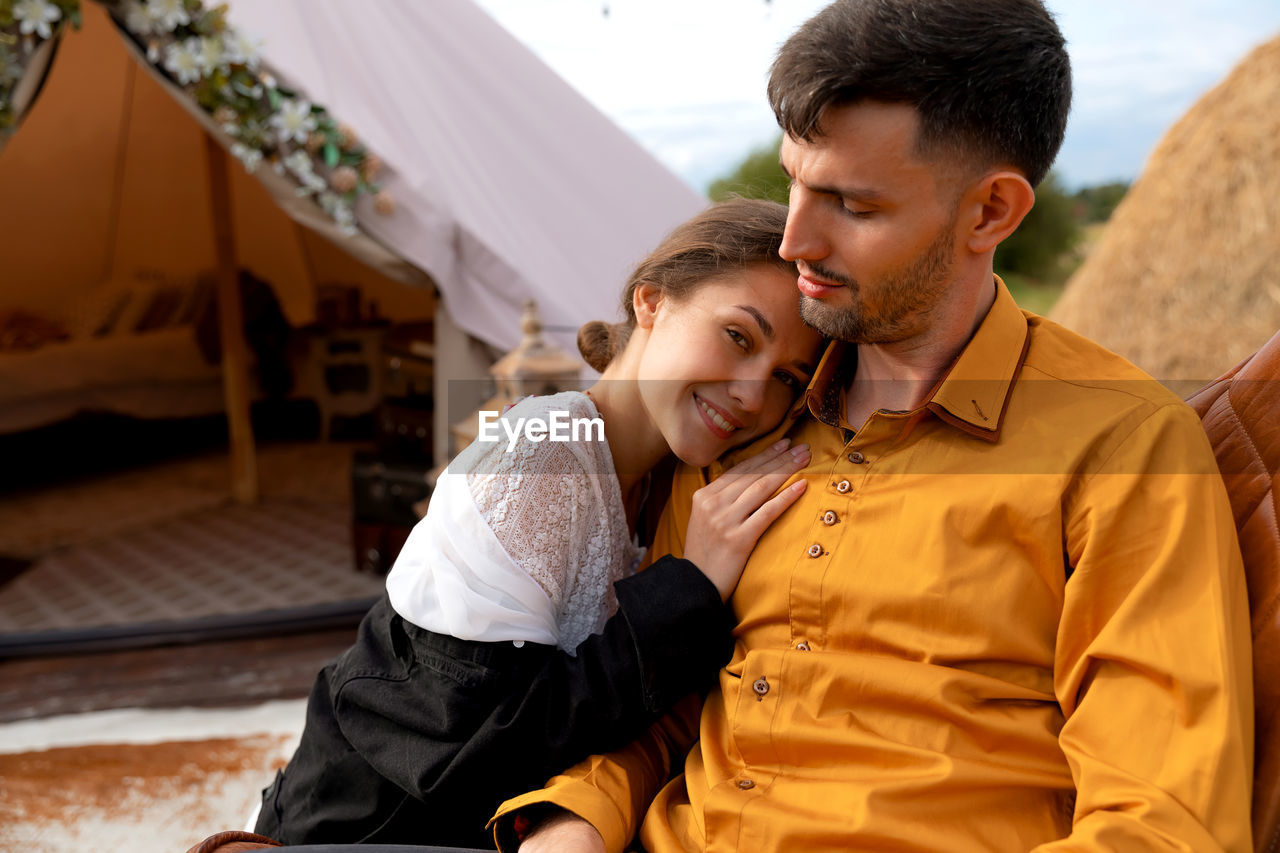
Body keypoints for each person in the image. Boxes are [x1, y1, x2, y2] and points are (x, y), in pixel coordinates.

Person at [495, 1, 1254, 850]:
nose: (791, 242)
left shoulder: (1124, 450)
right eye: (792, 182)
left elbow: (1160, 825)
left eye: (851, 206)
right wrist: (575, 818)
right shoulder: (738, 413)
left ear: (990, 213)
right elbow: (660, 703)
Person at [251, 198, 825, 848]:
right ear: (652, 303)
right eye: (737, 336)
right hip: (356, 828)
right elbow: (469, 755)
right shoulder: (543, 455)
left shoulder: (670, 478)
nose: (753, 393)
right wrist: (686, 586)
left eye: (785, 376)